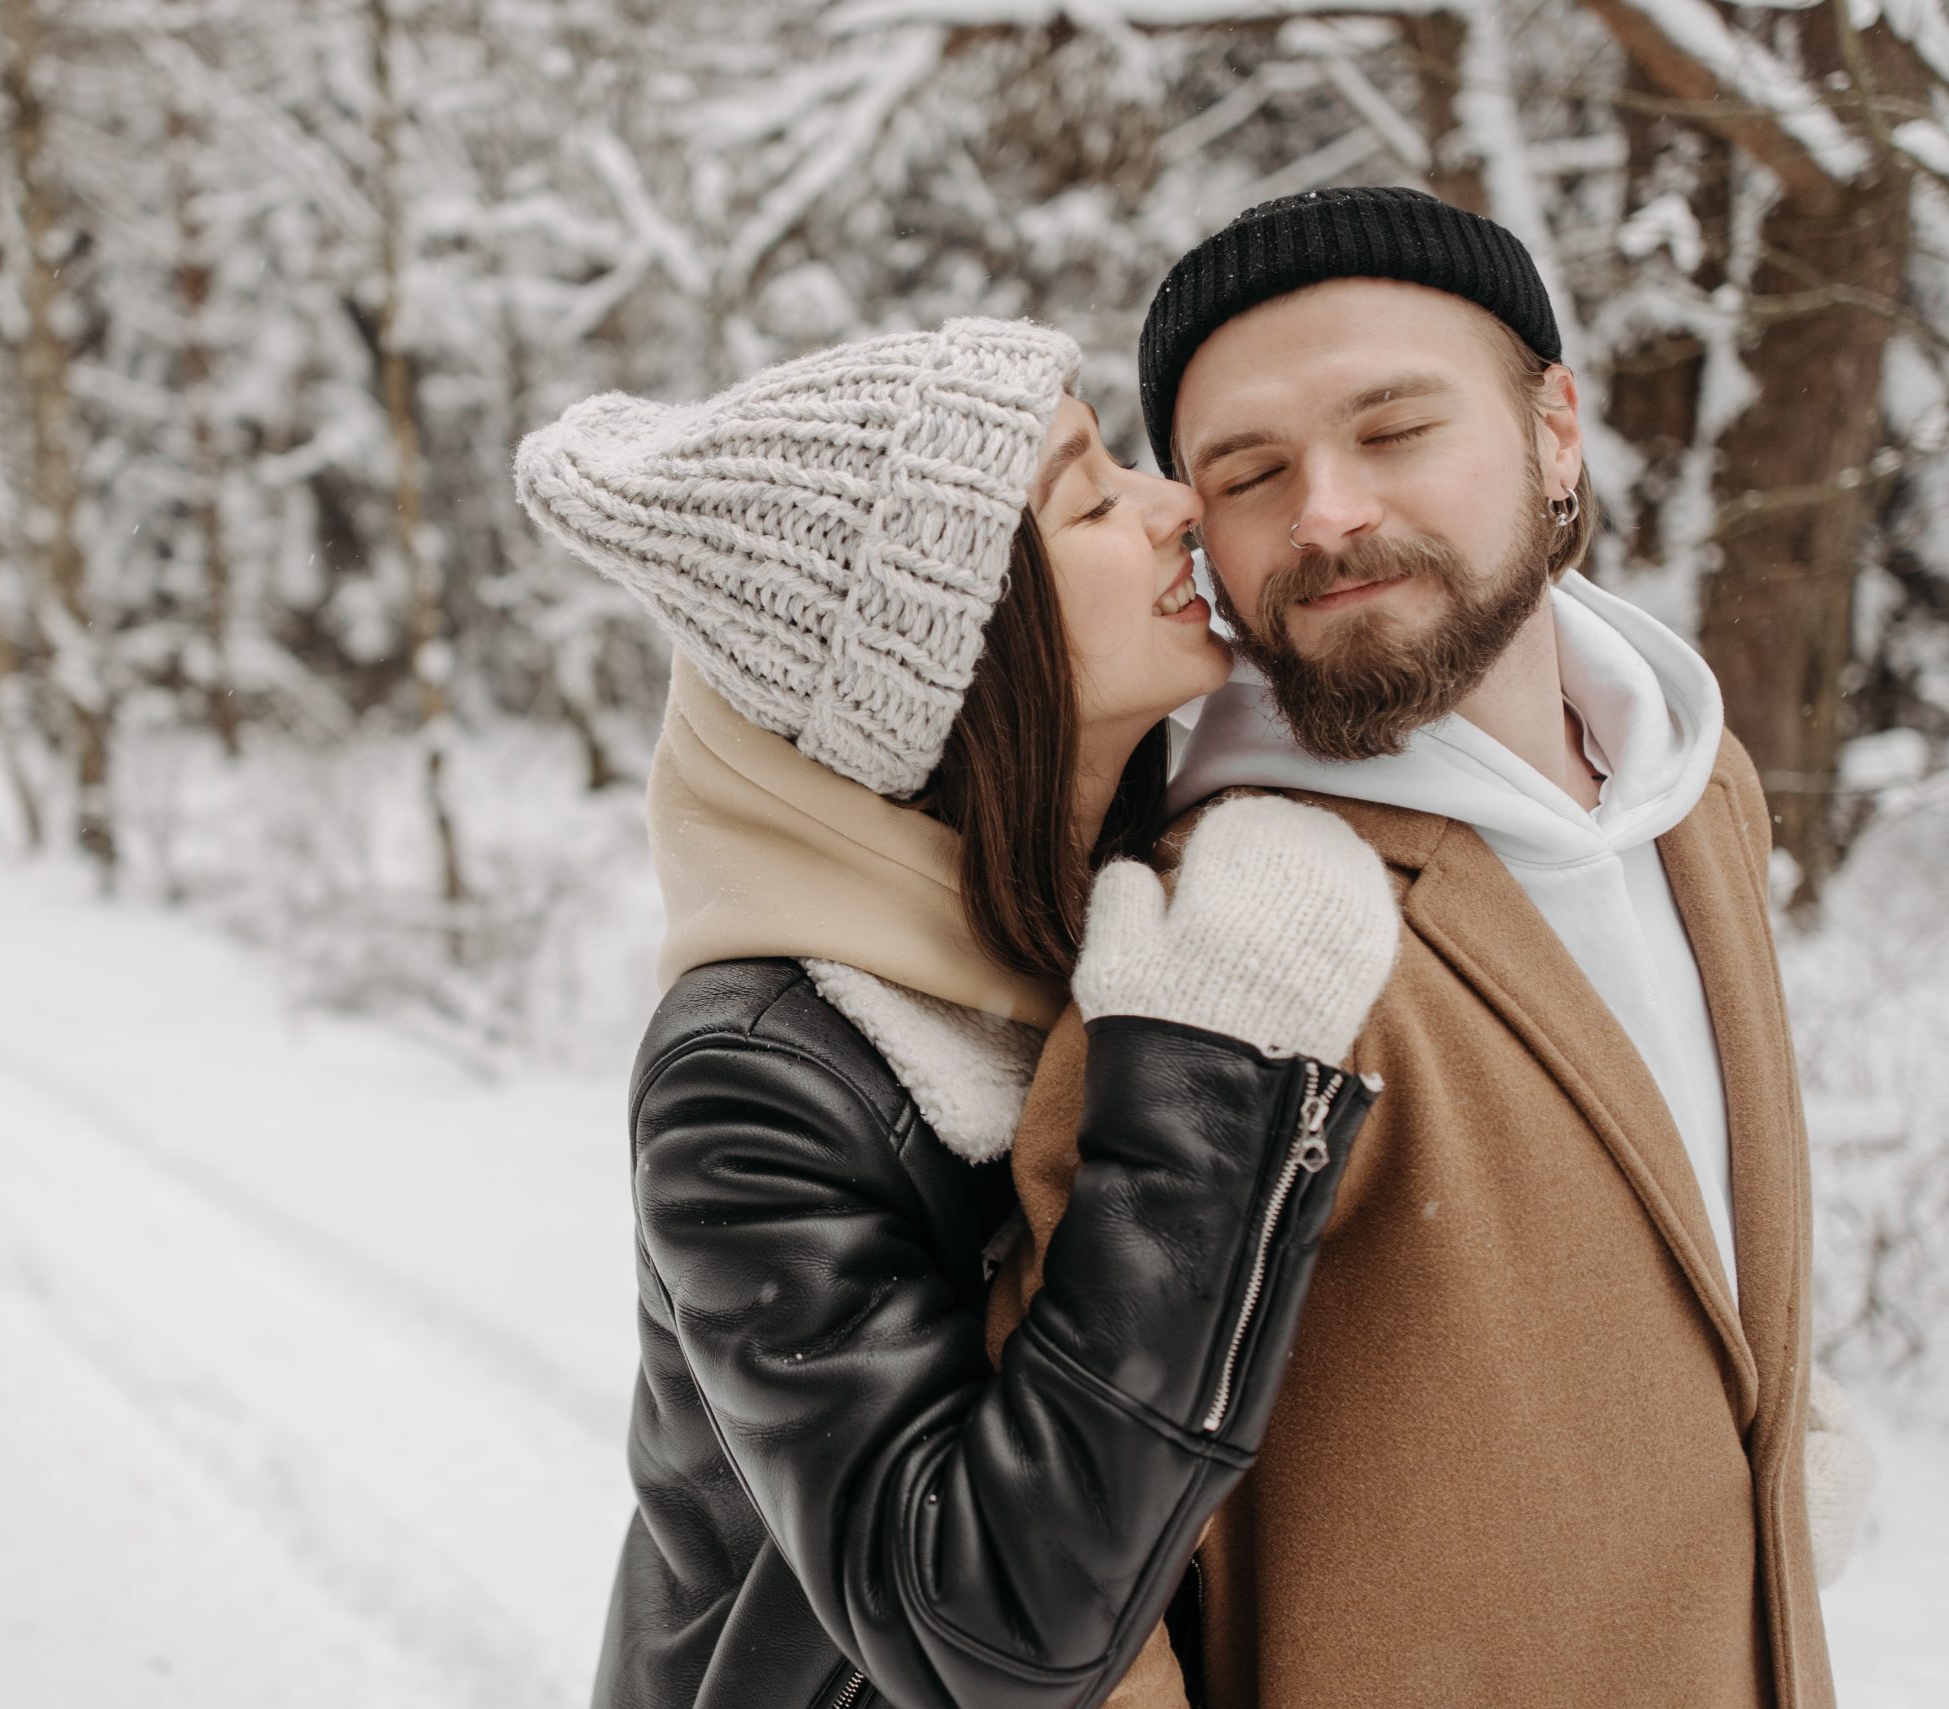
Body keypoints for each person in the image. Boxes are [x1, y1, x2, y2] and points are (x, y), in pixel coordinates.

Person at [1000, 186, 1874, 1709]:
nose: (1327, 509)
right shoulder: (1229, 942)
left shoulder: (1695, 799)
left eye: (1394, 428)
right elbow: (1066, 1610)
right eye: (1252, 472)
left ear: (1555, 432)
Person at [514, 319, 1402, 1708]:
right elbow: (989, 1622)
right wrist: (1216, 1084)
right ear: (958, 651)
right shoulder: (755, 1085)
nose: (1173, 503)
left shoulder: (1109, 908)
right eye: (1090, 499)